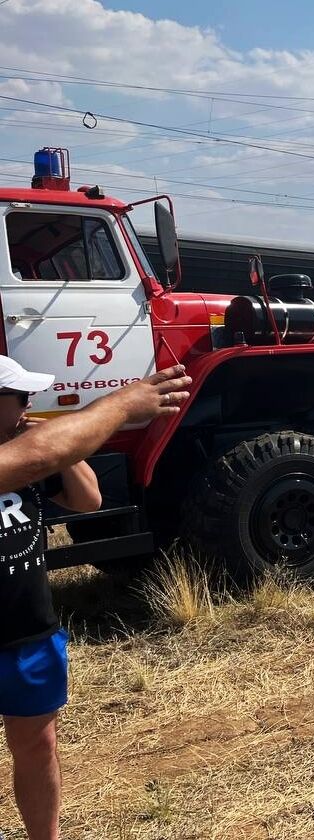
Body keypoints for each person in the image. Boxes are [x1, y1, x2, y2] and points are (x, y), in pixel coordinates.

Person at [0, 356, 191, 840]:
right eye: (21, 397)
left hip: (28, 633)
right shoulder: (24, 457)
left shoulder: (28, 453)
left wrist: (59, 445)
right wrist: (110, 411)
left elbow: (88, 501)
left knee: (38, 745)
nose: (31, 406)